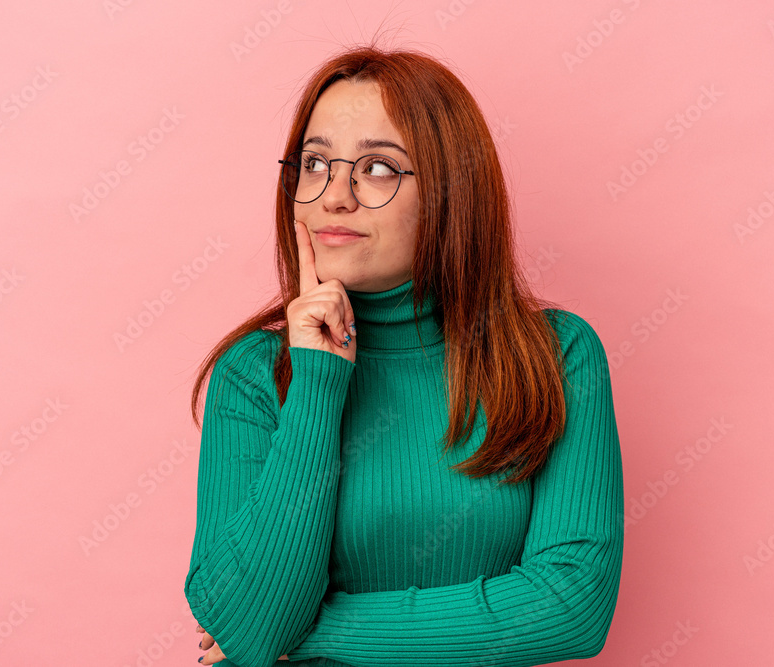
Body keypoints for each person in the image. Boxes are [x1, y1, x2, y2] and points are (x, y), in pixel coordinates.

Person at [184, 42, 624, 667]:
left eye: (377, 168)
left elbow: (571, 607)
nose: (334, 196)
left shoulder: (555, 356)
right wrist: (317, 381)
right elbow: (250, 623)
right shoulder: (253, 372)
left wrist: (310, 635)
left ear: (449, 191)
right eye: (315, 163)